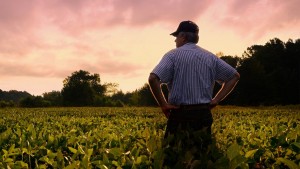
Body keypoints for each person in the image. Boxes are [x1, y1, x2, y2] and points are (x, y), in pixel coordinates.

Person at [148, 20, 240, 168]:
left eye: (176, 37)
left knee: (172, 158)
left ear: (183, 36)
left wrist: (164, 105)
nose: (175, 40)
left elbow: (153, 78)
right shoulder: (210, 57)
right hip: (203, 114)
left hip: (179, 114)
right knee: (202, 158)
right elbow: (234, 76)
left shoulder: (172, 55)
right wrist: (216, 99)